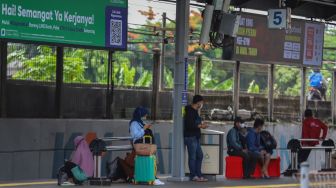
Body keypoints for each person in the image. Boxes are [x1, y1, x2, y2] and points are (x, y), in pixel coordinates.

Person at [129, 107, 164, 186]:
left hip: (146, 144)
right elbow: (135, 135)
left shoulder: (140, 122)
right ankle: (152, 178)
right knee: (147, 159)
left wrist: (146, 127)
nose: (146, 116)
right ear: (140, 114)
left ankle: (151, 176)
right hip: (140, 144)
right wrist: (144, 129)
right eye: (145, 114)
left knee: (150, 159)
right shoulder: (134, 123)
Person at [184, 95, 209, 182]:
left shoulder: (195, 111)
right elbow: (189, 125)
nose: (202, 104)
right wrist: (201, 126)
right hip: (191, 137)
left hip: (195, 137)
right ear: (198, 102)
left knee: (200, 155)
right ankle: (193, 175)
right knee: (193, 157)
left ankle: (198, 174)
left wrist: (201, 124)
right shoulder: (190, 111)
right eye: (201, 102)